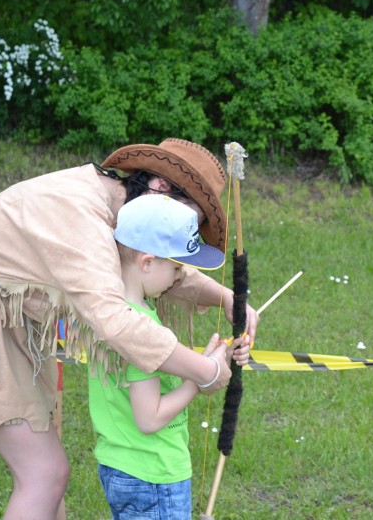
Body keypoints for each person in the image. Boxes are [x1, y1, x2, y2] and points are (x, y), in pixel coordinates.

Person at [0, 138, 259, 520]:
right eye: (188, 222)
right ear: (162, 189)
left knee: (47, 476)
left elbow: (150, 262)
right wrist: (205, 372)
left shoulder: (120, 211)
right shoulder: (81, 211)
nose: (183, 241)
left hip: (7, 312)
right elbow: (114, 317)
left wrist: (224, 296)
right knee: (44, 474)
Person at [90, 194, 227, 520]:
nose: (180, 276)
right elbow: (149, 417)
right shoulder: (141, 327)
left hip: (120, 465)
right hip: (154, 472)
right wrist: (199, 379)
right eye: (177, 267)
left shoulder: (109, 309)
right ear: (147, 262)